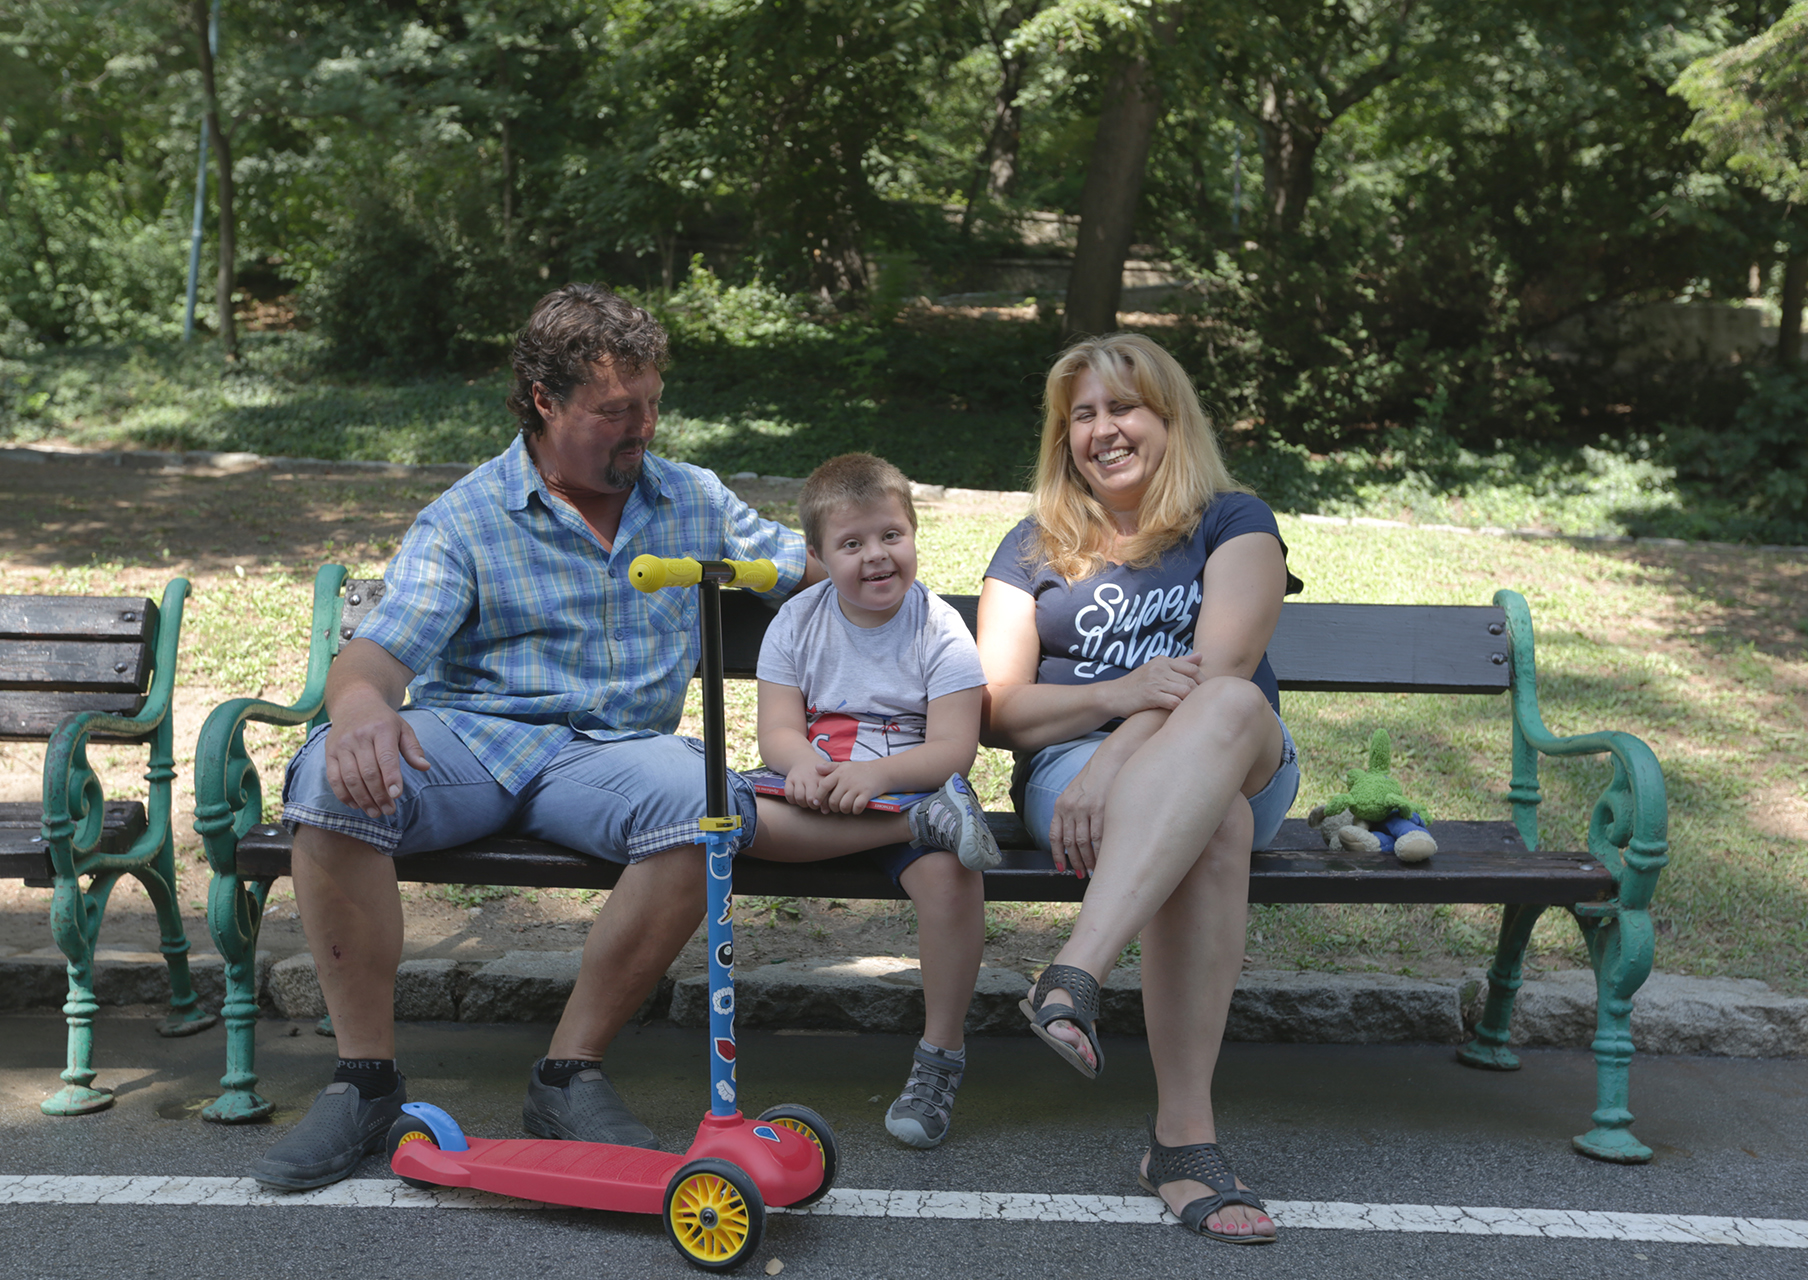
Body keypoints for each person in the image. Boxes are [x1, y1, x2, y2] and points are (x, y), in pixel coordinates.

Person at [250, 284, 922, 1191]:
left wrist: (914, 607)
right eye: (615, 410)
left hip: (613, 758)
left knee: (702, 803)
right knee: (332, 783)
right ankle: (364, 1083)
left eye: (651, 403)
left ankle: (569, 1075)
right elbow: (376, 654)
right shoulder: (469, 516)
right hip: (475, 741)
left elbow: (813, 570)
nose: (641, 428)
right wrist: (362, 707)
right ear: (544, 401)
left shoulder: (693, 498)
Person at [976, 333, 1300, 1245]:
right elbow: (998, 708)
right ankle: (1183, 1143)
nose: (1102, 429)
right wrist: (1115, 698)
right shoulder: (1031, 546)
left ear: (1169, 418)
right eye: (1082, 415)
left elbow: (1222, 670)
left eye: (1123, 407)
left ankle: (1075, 969)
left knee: (1228, 705)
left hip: (1224, 751)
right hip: (1071, 776)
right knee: (1211, 823)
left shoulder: (1234, 521)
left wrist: (1118, 755)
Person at [752, 452, 1000, 1149]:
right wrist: (802, 764)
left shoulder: (938, 628)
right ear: (818, 555)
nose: (876, 556)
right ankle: (925, 824)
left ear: (914, 533)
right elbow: (777, 729)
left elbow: (954, 748)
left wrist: (881, 778)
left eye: (891, 535)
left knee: (953, 876)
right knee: (737, 821)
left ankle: (940, 1057)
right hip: (826, 798)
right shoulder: (797, 622)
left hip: (910, 791)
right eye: (852, 543)